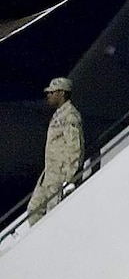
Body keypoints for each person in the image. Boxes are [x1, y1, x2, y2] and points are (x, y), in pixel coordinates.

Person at [26, 77, 85, 223]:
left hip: (60, 175)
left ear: (62, 93)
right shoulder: (58, 115)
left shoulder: (70, 116)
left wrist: (70, 178)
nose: (49, 95)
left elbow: (74, 146)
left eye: (52, 92)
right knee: (34, 210)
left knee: (54, 215)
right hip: (49, 175)